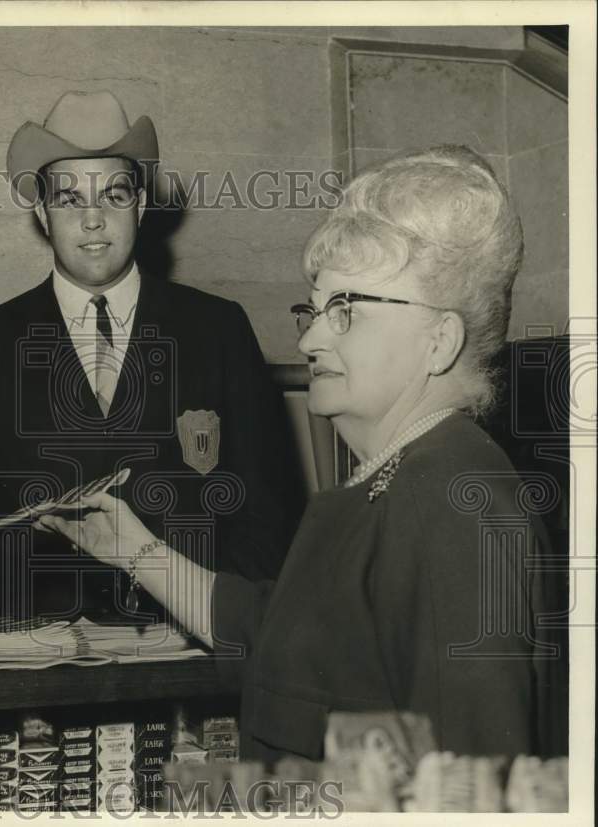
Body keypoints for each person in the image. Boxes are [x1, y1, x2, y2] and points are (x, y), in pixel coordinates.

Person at [40, 145, 568, 760]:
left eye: (345, 311)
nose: (312, 337)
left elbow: (470, 781)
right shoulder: (400, 472)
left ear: (439, 340)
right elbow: (284, 640)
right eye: (314, 309)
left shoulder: (453, 501)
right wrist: (132, 549)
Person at [0, 90, 300, 619]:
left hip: (184, 647)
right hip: (35, 655)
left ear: (141, 204)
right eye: (68, 200)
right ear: (41, 211)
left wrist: (218, 627)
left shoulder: (218, 329)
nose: (92, 220)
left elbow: (268, 511)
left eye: (113, 195)